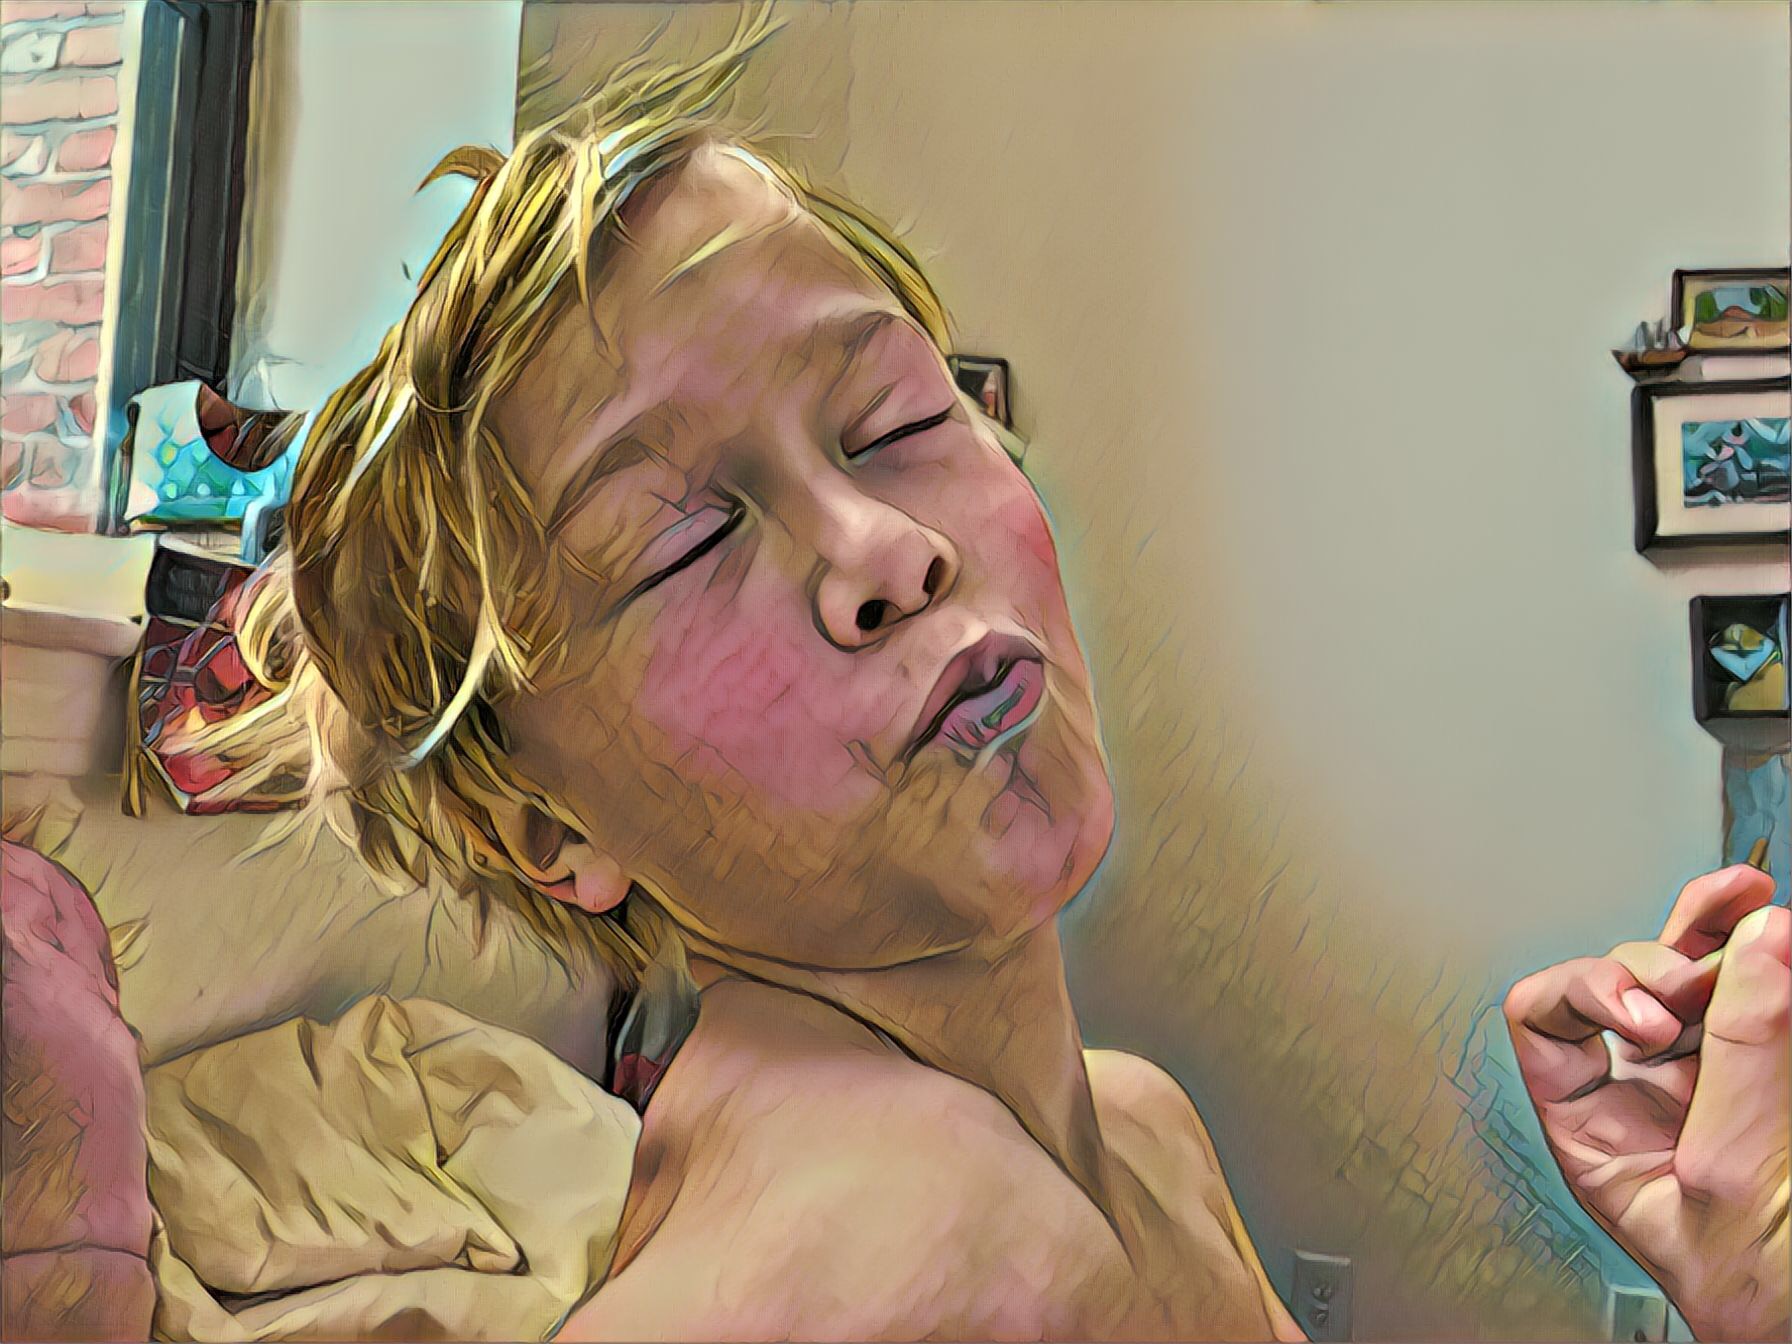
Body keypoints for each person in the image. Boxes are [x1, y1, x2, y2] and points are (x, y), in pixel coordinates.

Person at [212, 23, 1789, 1342]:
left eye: (897, 420)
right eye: (682, 539)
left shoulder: (1138, 1128)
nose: (886, 551)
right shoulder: (895, 1256)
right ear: (551, 830)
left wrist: (1741, 1277)